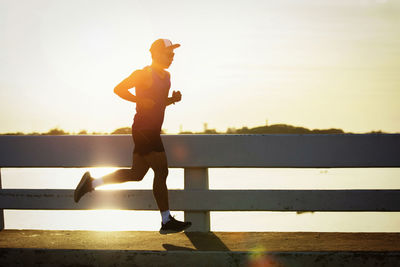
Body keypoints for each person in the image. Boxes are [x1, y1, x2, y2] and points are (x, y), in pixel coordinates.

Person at [74, 38, 192, 234]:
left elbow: (159, 102)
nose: (171, 57)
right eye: (167, 53)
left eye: (173, 54)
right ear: (155, 54)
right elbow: (118, 89)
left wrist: (173, 100)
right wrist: (139, 100)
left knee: (136, 174)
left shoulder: (167, 77)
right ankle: (166, 220)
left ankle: (91, 183)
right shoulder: (143, 74)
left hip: (151, 131)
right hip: (144, 130)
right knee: (161, 171)